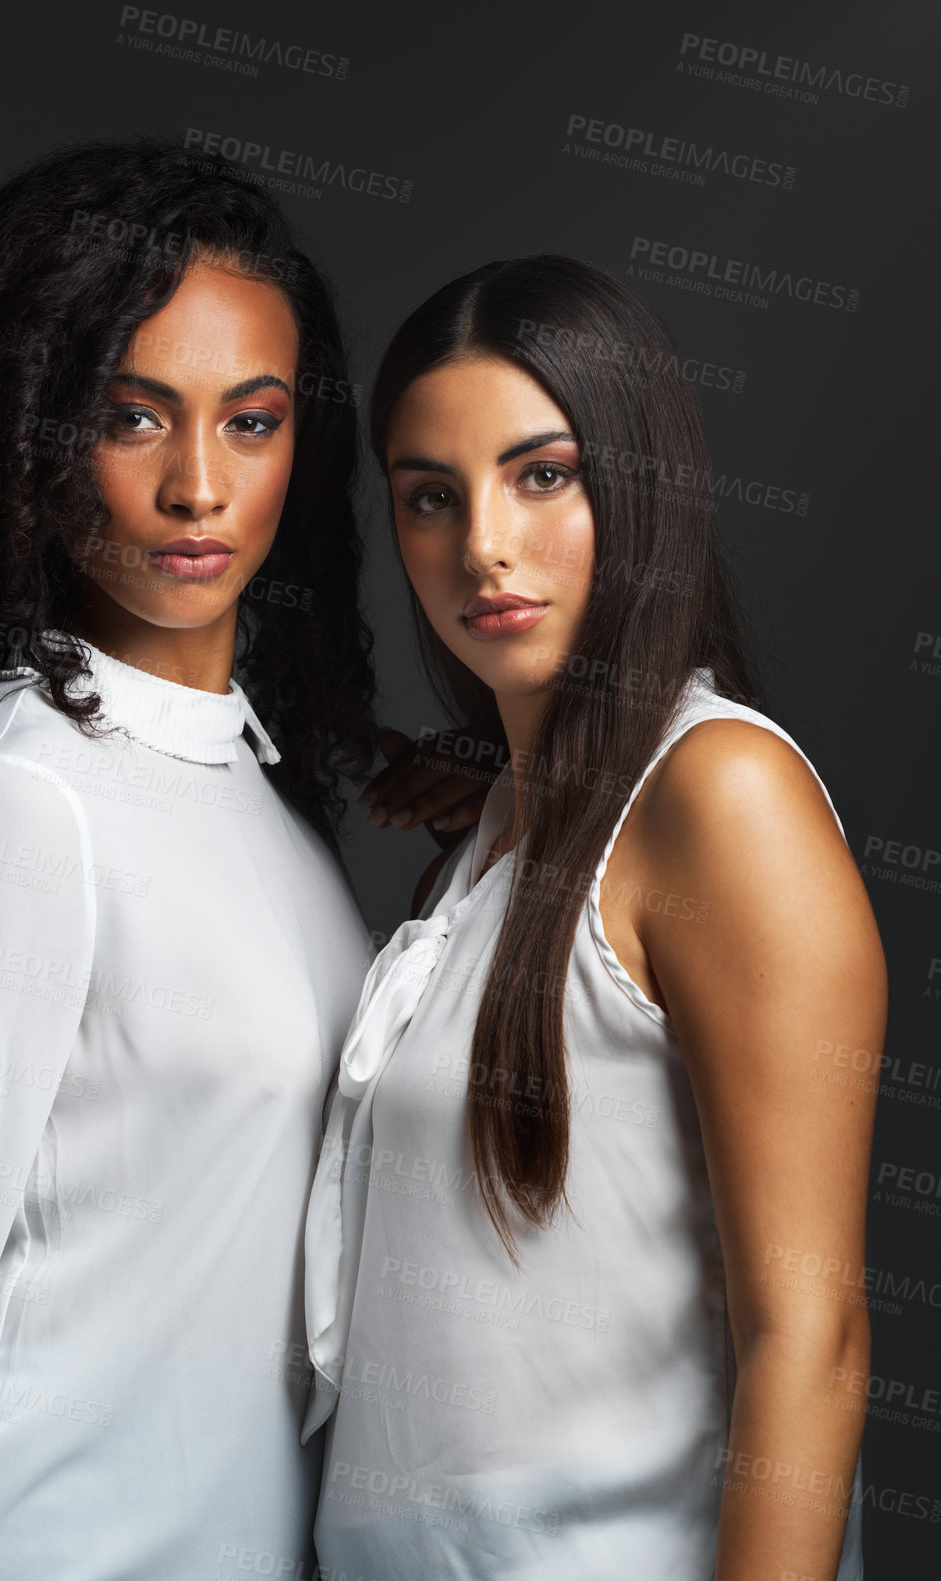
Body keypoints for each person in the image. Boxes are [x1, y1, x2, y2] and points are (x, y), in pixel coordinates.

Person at [0, 134, 442, 1581]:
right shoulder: (28, 799)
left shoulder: (262, 808)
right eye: (135, 417)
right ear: (34, 433)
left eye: (251, 421)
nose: (198, 485)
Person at [304, 254, 884, 1580]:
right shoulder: (498, 839)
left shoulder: (723, 795)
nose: (484, 545)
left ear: (638, 478)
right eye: (431, 497)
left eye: (542, 473)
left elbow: (814, 1342)